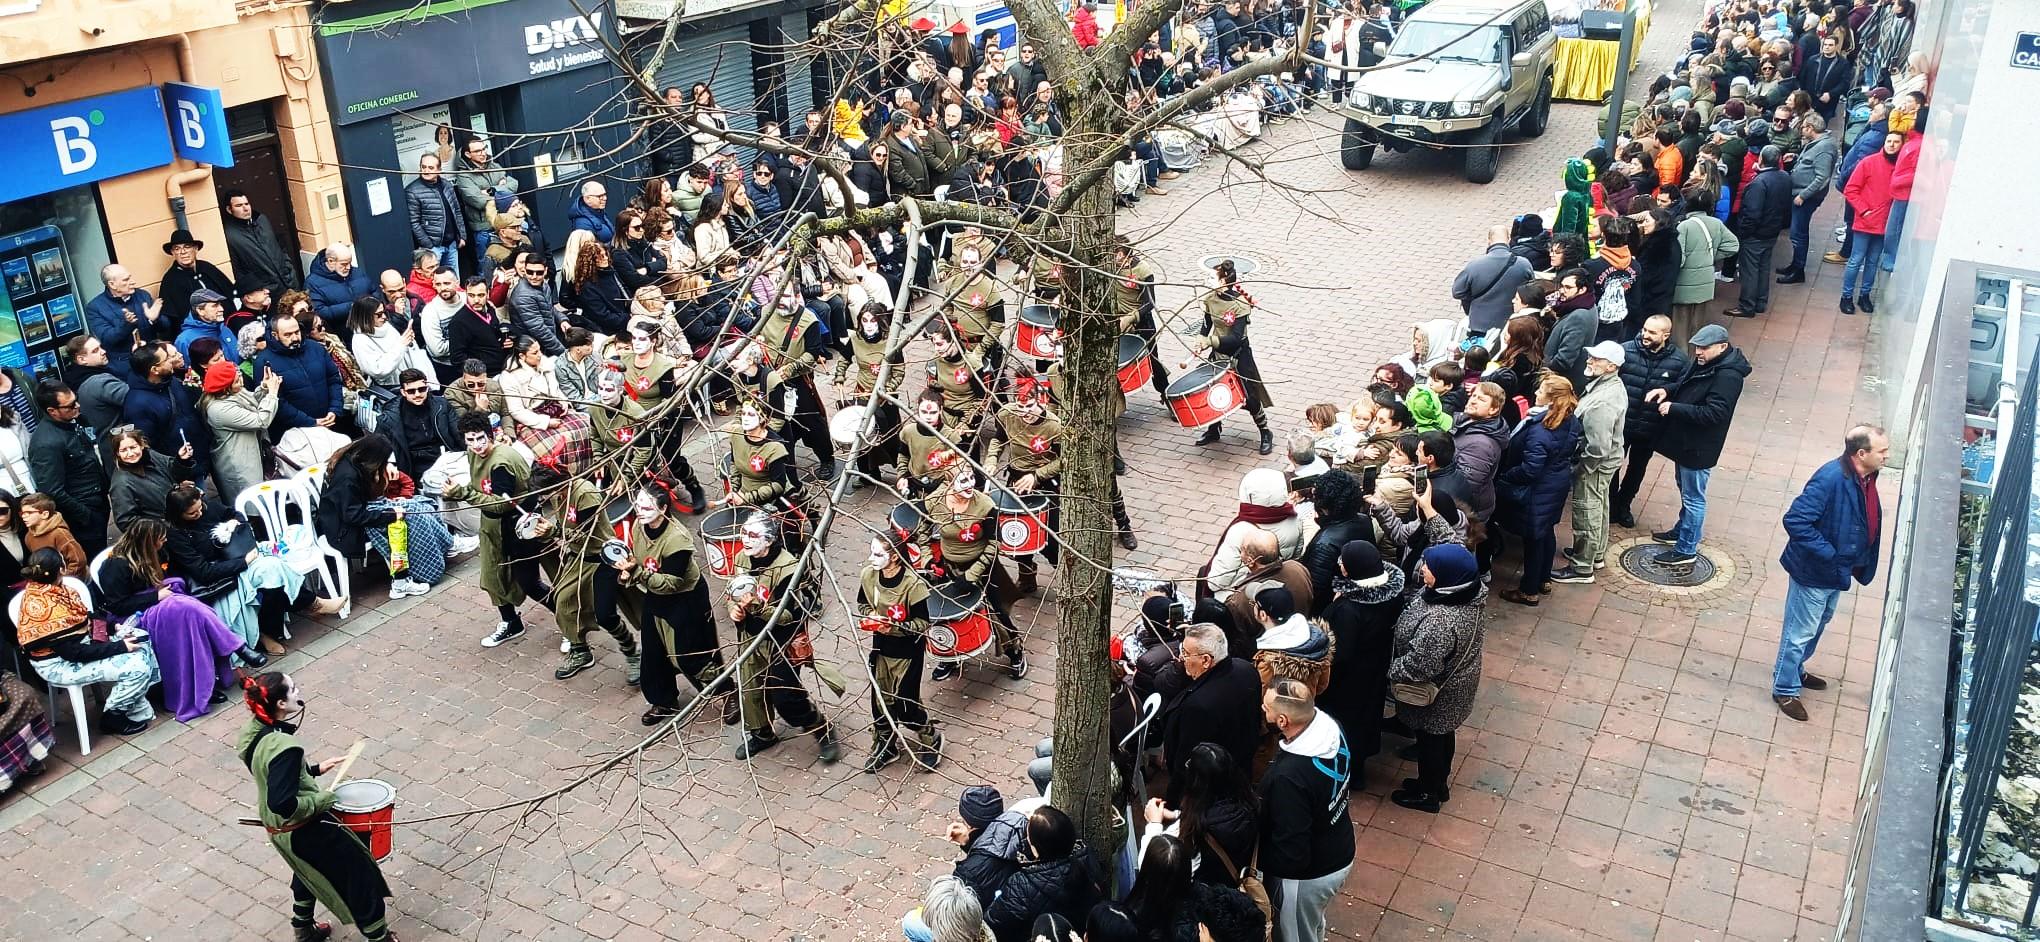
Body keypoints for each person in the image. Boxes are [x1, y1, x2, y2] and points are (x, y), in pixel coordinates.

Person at [236, 672, 399, 942]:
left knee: (307, 869)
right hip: (300, 828)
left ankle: (304, 929)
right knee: (359, 874)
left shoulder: (252, 732)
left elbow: (269, 773)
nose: (298, 692)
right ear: (280, 704)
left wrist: (311, 770)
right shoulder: (286, 747)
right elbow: (283, 803)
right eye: (293, 689)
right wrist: (324, 799)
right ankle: (379, 937)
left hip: (279, 831)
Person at [1772, 425, 1886, 722]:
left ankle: (1795, 670)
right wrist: (1831, 554)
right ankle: (1785, 688)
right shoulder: (1831, 478)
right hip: (1816, 571)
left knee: (1818, 623)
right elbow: (1796, 521)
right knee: (1799, 632)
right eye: (1882, 451)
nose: (1887, 456)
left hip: (1836, 570)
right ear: (1861, 453)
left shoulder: (1865, 476)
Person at [727, 511, 841, 763]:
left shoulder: (789, 568)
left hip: (783, 642)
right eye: (744, 532)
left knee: (785, 694)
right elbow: (732, 593)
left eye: (753, 535)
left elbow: (791, 614)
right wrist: (734, 610)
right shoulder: (741, 559)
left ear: (768, 541)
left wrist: (758, 607)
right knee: (751, 689)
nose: (745, 538)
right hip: (750, 637)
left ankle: (821, 729)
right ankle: (763, 734)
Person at [16, 548, 161, 735]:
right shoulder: (45, 606)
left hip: (80, 645)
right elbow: (74, 653)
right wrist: (119, 647)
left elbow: (85, 617)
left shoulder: (56, 589)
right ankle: (113, 715)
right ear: (61, 569)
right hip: (59, 664)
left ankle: (136, 699)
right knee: (137, 666)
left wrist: (111, 628)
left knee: (141, 636)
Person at [1387, 543, 1486, 813]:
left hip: (1439, 694)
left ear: (1446, 574)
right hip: (1458, 685)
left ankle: (1428, 793)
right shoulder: (1466, 590)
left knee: (1431, 740)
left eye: (1429, 566)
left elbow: (1421, 666)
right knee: (1443, 734)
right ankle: (1437, 784)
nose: (1424, 568)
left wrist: (1390, 670)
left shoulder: (1440, 622)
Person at [442, 412, 554, 646]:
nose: (476, 445)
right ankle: (511, 622)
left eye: (480, 438)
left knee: (529, 582)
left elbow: (501, 502)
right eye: (470, 440)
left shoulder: (501, 462)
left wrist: (462, 493)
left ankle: (571, 620)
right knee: (493, 577)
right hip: (492, 526)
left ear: (491, 434)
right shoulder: (473, 454)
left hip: (518, 526)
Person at [615, 480, 722, 723]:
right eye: (638, 506)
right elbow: (640, 561)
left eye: (645, 507)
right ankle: (663, 699)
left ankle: (726, 692)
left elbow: (671, 583)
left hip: (685, 599)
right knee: (653, 651)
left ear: (663, 509)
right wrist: (629, 568)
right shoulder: (638, 528)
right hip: (656, 597)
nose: (639, 511)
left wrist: (637, 574)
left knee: (690, 653)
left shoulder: (678, 541)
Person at [1256, 679, 1353, 942]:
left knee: (1296, 935)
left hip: (1309, 875)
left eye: (1267, 709)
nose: (1263, 711)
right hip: (1340, 845)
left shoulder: (1289, 778)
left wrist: (1257, 863)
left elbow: (1292, 854)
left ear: (1283, 721)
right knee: (1312, 923)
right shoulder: (1331, 728)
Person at [1648, 324, 1752, 568]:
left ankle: (1686, 549)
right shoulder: (1706, 363)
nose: (1699, 352)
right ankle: (1682, 531)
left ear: (1722, 347)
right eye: (1697, 347)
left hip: (1699, 448)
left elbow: (1715, 413)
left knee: (1694, 498)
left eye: (1705, 348)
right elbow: (1686, 384)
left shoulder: (1728, 376)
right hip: (1686, 443)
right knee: (1686, 490)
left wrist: (1675, 408)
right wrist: (1666, 390)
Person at [163, 484, 309, 657]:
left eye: (200, 508)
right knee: (268, 571)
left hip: (234, 560)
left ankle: (273, 627)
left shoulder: (209, 508)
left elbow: (234, 514)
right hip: (217, 576)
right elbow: (203, 572)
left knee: (272, 568)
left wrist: (233, 523)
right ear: (179, 514)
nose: (199, 514)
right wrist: (243, 562)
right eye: (192, 513)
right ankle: (309, 605)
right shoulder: (175, 535)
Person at [1495, 375, 1584, 606]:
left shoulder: (1541, 430)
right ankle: (1544, 579)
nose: (1536, 393)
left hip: (1538, 490)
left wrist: (1506, 476)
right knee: (1545, 532)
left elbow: (1530, 470)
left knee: (1533, 539)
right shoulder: (1569, 419)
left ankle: (1528, 590)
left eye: (1541, 391)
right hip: (1556, 484)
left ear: (1552, 399)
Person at [857, 533, 942, 772]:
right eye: (871, 552)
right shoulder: (868, 576)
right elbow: (862, 603)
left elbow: (923, 623)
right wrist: (871, 616)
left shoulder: (913, 585)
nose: (871, 558)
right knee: (880, 701)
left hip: (907, 651)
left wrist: (894, 627)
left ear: (894, 557)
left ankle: (930, 737)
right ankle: (886, 744)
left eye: (878, 554)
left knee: (906, 703)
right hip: (881, 648)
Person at [1319, 540, 1405, 760]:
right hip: (1376, 665)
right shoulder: (1392, 594)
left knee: (1347, 721)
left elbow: (1341, 652)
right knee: (1367, 714)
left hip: (1350, 677)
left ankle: (1349, 766)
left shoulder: (1349, 610)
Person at [1551, 343, 1629, 585]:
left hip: (1595, 464)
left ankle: (1582, 567)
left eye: (1597, 358)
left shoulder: (1603, 401)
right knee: (1599, 505)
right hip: (1605, 461)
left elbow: (1597, 445)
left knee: (1587, 511)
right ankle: (1594, 555)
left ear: (1611, 366)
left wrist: (1584, 467)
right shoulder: (1607, 386)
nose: (1590, 360)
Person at [1159, 624, 1262, 806]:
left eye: (1186, 653)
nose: (1182, 658)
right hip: (1242, 766)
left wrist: (1173, 800)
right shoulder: (1246, 669)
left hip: (1209, 787)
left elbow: (1186, 761)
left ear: (1206, 660)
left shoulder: (1199, 706)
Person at [1190, 260, 1275, 454]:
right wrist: (1200, 339)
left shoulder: (1240, 304)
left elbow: (1236, 339)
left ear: (1224, 281)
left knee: (1250, 397)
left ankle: (1265, 432)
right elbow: (1206, 324)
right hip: (1218, 354)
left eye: (1212, 277)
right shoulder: (1210, 298)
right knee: (1212, 392)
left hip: (1239, 355)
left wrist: (1209, 341)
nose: (1207, 280)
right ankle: (1214, 429)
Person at [1610, 315, 1687, 528]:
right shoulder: (1625, 351)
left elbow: (1681, 390)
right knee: (1613, 464)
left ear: (1666, 335)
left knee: (1637, 468)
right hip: (1622, 423)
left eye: (1652, 332)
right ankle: (1612, 504)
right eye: (1645, 329)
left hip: (1650, 427)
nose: (1645, 335)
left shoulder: (1679, 361)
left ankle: (1624, 505)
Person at [983, 806, 1103, 942]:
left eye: (1028, 836)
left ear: (1035, 848)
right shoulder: (1086, 857)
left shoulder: (1020, 887)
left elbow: (991, 925)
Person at [27, 384, 110, 555]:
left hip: (96, 500)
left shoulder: (71, 421)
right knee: (93, 557)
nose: (77, 406)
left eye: (76, 400)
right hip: (82, 513)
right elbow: (51, 489)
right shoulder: (45, 443)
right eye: (70, 405)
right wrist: (86, 515)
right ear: (52, 411)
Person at [1203, 468, 1304, 598]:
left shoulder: (1240, 530)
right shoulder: (1294, 519)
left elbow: (1216, 582)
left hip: (1241, 595)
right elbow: (1295, 558)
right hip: (1276, 587)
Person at [1839, 130, 1902, 316]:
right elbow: (1851, 189)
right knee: (1856, 259)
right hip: (1865, 221)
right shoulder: (1869, 162)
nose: (1891, 144)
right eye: (1889, 140)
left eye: (1896, 142)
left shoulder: (1899, 167)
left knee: (1873, 261)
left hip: (1885, 224)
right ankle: (1847, 296)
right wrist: (1864, 210)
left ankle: (1864, 295)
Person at [200, 361, 283, 502]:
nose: (242, 381)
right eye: (237, 380)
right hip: (239, 463)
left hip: (251, 453)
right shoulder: (218, 409)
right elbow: (261, 420)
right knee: (252, 502)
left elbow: (251, 402)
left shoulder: (232, 392)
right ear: (226, 388)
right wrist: (273, 393)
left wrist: (264, 388)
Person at [1727, 146, 1793, 318]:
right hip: (1772, 231)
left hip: (1756, 234)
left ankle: (1747, 305)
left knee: (1750, 271)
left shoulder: (1758, 183)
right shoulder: (1784, 177)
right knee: (1763, 268)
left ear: (1761, 160)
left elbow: (1752, 214)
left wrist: (1744, 232)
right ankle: (1760, 302)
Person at [1297, 470, 1373, 614]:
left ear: (1325, 507)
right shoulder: (1364, 520)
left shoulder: (1324, 545)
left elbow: (1314, 591)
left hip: (1329, 608)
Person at [1220, 531, 1314, 646]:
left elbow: (1240, 640)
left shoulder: (1239, 600)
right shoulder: (1298, 569)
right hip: (1301, 634)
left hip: (1268, 649)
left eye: (1242, 550)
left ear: (1250, 561)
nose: (1241, 554)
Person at [258, 313, 344, 434]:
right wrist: (310, 422)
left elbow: (334, 379)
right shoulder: (264, 361)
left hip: (330, 422)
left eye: (297, 332)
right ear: (275, 335)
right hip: (295, 432)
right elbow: (277, 401)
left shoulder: (315, 348)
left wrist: (334, 409)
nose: (294, 338)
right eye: (287, 335)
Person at [1777, 115, 1836, 284]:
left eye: (1803, 127)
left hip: (1805, 198)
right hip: (1800, 194)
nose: (1802, 130)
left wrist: (1803, 195)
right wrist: (1796, 159)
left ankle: (1798, 270)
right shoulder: (1818, 144)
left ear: (1810, 128)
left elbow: (1822, 177)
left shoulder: (1824, 148)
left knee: (1799, 233)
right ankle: (1795, 265)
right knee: (1798, 232)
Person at [86, 263, 167, 381]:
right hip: (126, 367)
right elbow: (107, 338)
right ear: (112, 284)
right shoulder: (95, 307)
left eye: (130, 277)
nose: (133, 282)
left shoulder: (142, 295)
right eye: (126, 280)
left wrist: (155, 320)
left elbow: (165, 327)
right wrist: (126, 324)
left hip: (154, 360)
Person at [1452, 225, 1535, 336]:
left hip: (1480, 325)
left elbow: (1457, 292)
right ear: (1509, 240)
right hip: (1512, 326)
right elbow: (1531, 289)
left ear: (1489, 240)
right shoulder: (1523, 264)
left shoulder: (1474, 265)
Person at [108, 427, 198, 528]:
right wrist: (162, 528)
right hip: (164, 533)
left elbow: (173, 472)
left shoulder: (151, 455)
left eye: (133, 447)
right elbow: (126, 522)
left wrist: (181, 461)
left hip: (181, 520)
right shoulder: (121, 483)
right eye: (124, 450)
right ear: (117, 453)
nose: (130, 454)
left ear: (141, 445)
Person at [222, 190, 302, 297]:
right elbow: (238, 270)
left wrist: (289, 269)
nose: (245, 208)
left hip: (290, 283)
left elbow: (280, 246)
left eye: (247, 204)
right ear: (229, 209)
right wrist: (260, 289)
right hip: (267, 293)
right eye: (239, 205)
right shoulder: (230, 235)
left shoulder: (261, 220)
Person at [158, 228, 235, 334]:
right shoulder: (170, 280)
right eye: (177, 248)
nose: (183, 252)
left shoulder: (207, 267)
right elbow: (174, 319)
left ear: (195, 248)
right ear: (172, 253)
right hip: (201, 333)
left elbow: (230, 293)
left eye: (187, 247)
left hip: (228, 325)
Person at [405, 153, 467, 274]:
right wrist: (429, 245)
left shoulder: (447, 185)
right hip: (433, 247)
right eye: (423, 167)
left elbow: (457, 211)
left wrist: (462, 236)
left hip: (452, 244)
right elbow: (414, 223)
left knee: (452, 280)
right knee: (434, 282)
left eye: (430, 168)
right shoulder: (412, 191)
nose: (426, 170)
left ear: (439, 170)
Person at [447, 275, 515, 376]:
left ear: (488, 294)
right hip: (484, 375)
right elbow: (457, 359)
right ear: (466, 294)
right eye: (471, 295)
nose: (476, 300)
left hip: (504, 367)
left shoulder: (490, 309)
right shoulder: (458, 322)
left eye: (481, 295)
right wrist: (479, 373)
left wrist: (505, 340)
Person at [303, 243, 371, 335]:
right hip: (340, 332)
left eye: (349, 263)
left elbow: (373, 292)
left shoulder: (357, 273)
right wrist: (352, 307)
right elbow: (319, 311)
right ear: (331, 261)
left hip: (368, 326)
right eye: (344, 264)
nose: (348, 267)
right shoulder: (313, 283)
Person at [21, 493, 87, 577]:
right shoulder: (28, 537)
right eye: (22, 513)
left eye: (29, 513)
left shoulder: (59, 534)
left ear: (44, 514)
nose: (24, 516)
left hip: (74, 580)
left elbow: (79, 560)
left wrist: (65, 578)